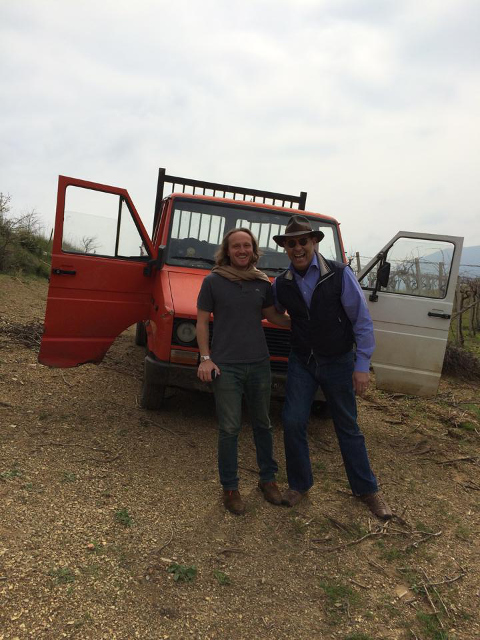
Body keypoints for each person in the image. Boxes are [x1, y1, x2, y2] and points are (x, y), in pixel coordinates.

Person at [272, 215, 392, 519]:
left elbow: (361, 321)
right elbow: (273, 313)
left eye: (302, 241)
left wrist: (361, 365)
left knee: (347, 426)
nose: (297, 248)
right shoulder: (282, 282)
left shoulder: (339, 274)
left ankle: (367, 490)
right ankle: (299, 484)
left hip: (339, 361)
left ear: (314, 242)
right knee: (293, 421)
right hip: (303, 361)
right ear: (285, 247)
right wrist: (299, 325)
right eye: (291, 243)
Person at [196, 228, 290, 515]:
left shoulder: (263, 282)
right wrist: (205, 359)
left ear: (253, 250)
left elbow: (272, 315)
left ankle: (268, 480)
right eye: (236, 246)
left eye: (246, 245)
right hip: (226, 366)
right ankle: (230, 487)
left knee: (263, 423)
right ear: (227, 250)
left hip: (259, 363)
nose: (242, 250)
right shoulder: (213, 281)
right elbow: (201, 322)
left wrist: (302, 323)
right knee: (229, 428)